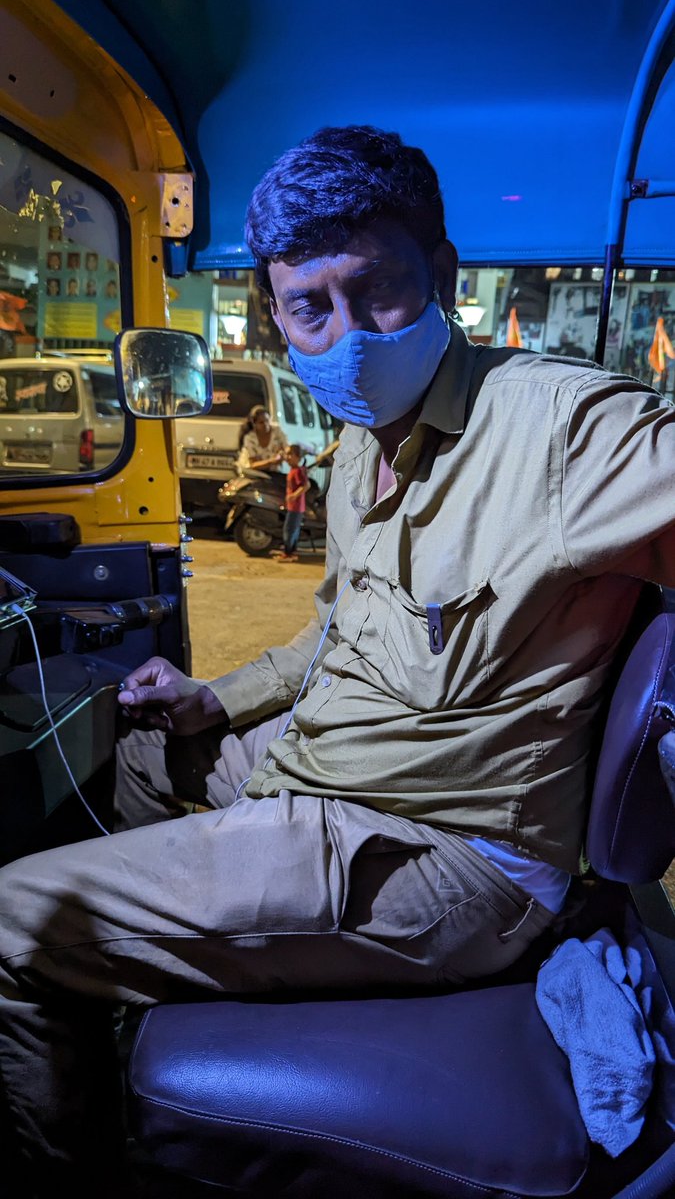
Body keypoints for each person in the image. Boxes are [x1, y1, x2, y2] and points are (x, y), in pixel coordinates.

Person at [2, 124, 675, 1196]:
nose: (349, 337)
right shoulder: (363, 435)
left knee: (9, 921)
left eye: (381, 293)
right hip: (327, 772)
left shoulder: (563, 429)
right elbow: (336, 637)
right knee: (135, 757)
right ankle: (134, 982)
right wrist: (211, 698)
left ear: (442, 274)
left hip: (438, 853)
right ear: (275, 317)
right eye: (311, 308)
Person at [276, 442, 310, 561]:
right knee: (293, 529)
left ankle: (288, 553)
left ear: (298, 457)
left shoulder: (297, 471)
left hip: (296, 507)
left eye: (290, 454)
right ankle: (291, 552)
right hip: (294, 507)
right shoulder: (294, 470)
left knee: (289, 530)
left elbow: (306, 485)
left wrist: (294, 496)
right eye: (287, 454)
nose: (288, 457)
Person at [237, 402, 288, 471]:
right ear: (254, 424)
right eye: (261, 422)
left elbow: (286, 449)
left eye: (267, 421)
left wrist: (282, 454)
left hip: (275, 472)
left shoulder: (277, 432)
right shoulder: (250, 438)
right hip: (255, 473)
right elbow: (253, 464)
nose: (265, 424)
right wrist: (271, 461)